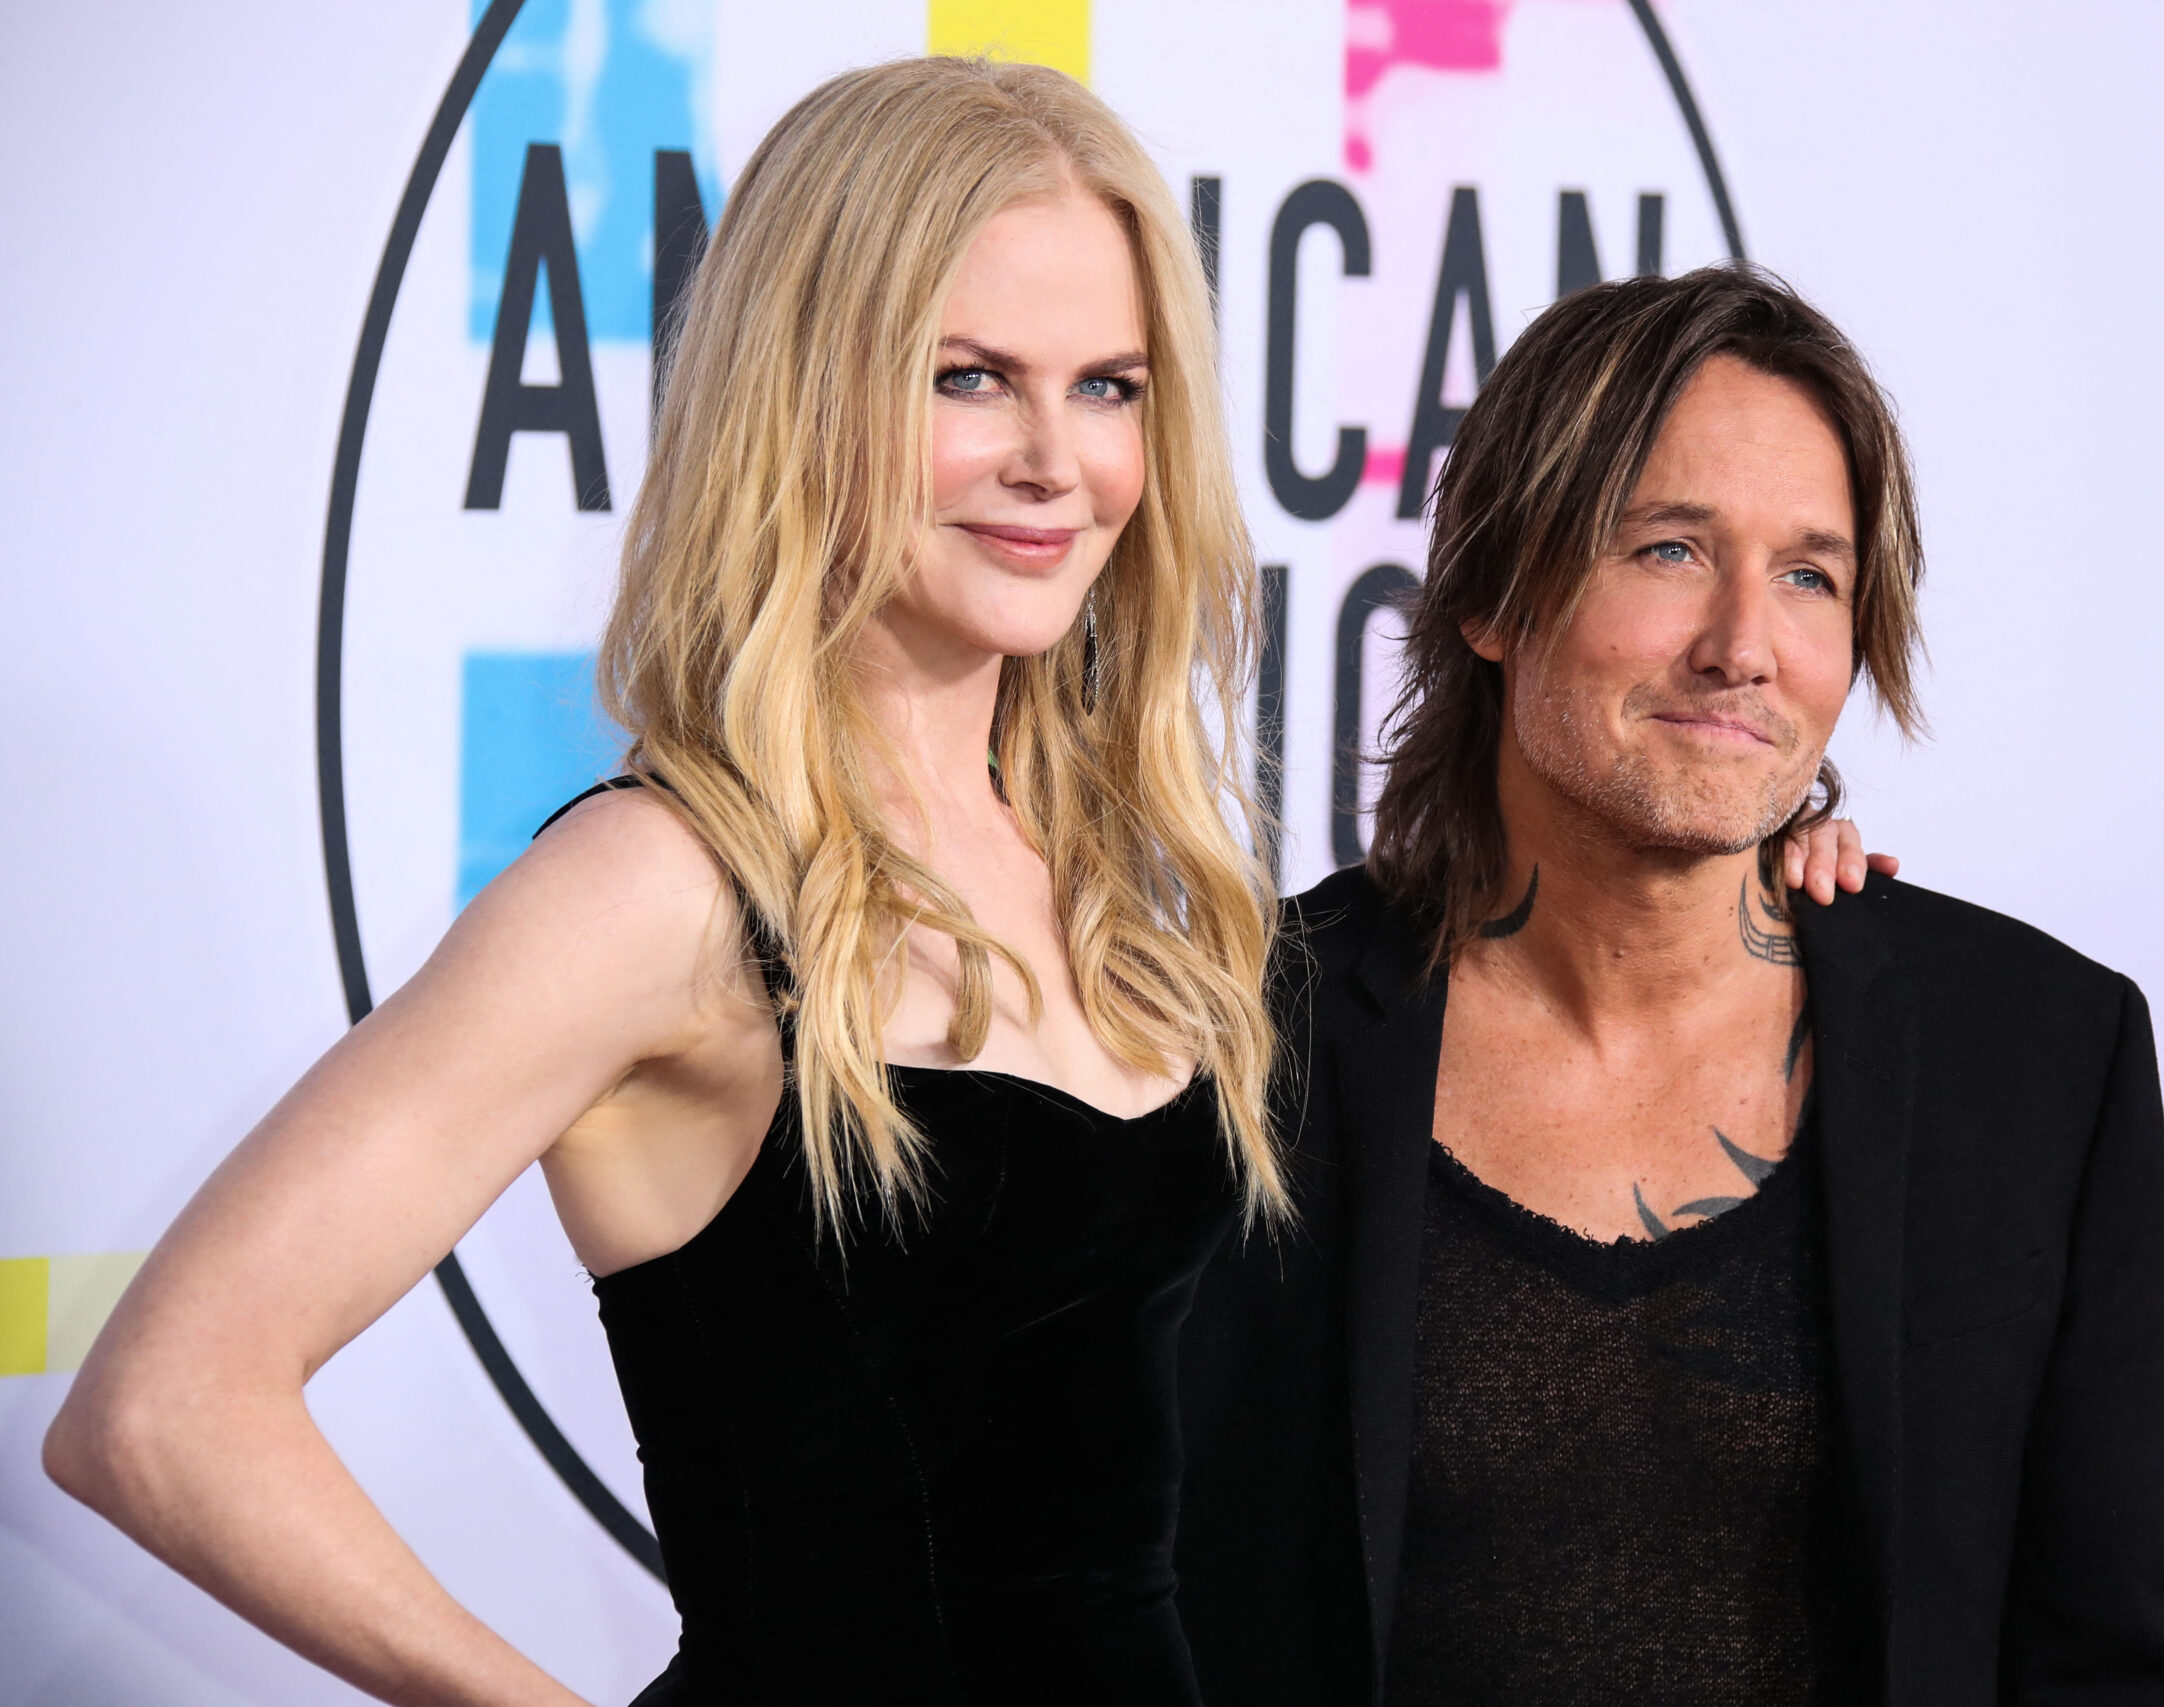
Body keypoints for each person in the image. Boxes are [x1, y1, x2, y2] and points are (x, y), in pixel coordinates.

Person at [46, 58, 1285, 1705]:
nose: (1057, 460)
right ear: (806, 390)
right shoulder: (663, 887)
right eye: (971, 378)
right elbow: (160, 1408)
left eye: (1111, 387)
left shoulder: (1109, 877)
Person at [1175, 264, 2164, 1707]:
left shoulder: (2035, 1056)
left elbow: (2109, 1664)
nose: (1746, 647)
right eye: (1670, 550)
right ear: (1489, 589)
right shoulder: (1233, 1043)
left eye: (1811, 575)